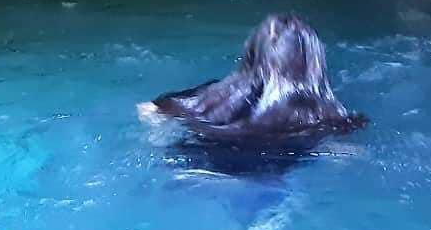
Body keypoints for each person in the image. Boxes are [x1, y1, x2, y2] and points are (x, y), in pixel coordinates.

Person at [141, 13, 366, 146]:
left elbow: (147, 110)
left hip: (198, 161)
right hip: (263, 175)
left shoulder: (211, 94)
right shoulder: (326, 115)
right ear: (313, 62)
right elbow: (342, 153)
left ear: (253, 53)